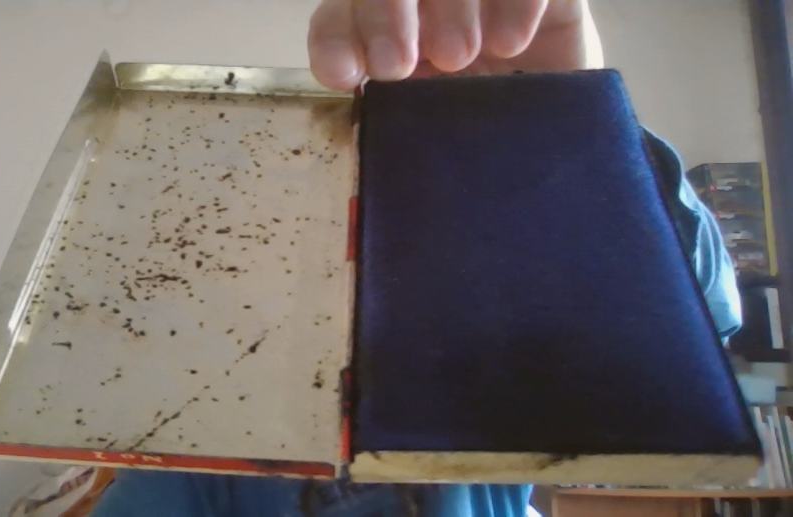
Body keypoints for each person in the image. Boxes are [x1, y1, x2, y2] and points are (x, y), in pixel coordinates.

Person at [91, 1, 741, 515]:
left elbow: (690, 334)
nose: (351, 266)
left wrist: (582, 155)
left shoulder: (486, 371)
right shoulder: (201, 446)